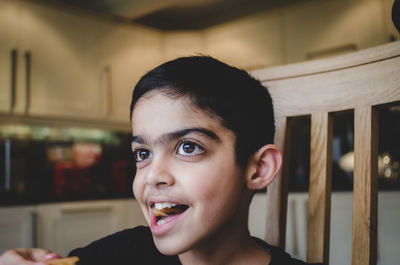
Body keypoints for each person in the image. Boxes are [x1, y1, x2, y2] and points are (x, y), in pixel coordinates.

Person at [0, 56, 322, 265]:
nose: (153, 175)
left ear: (259, 168)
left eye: (187, 147)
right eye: (143, 154)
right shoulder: (123, 253)